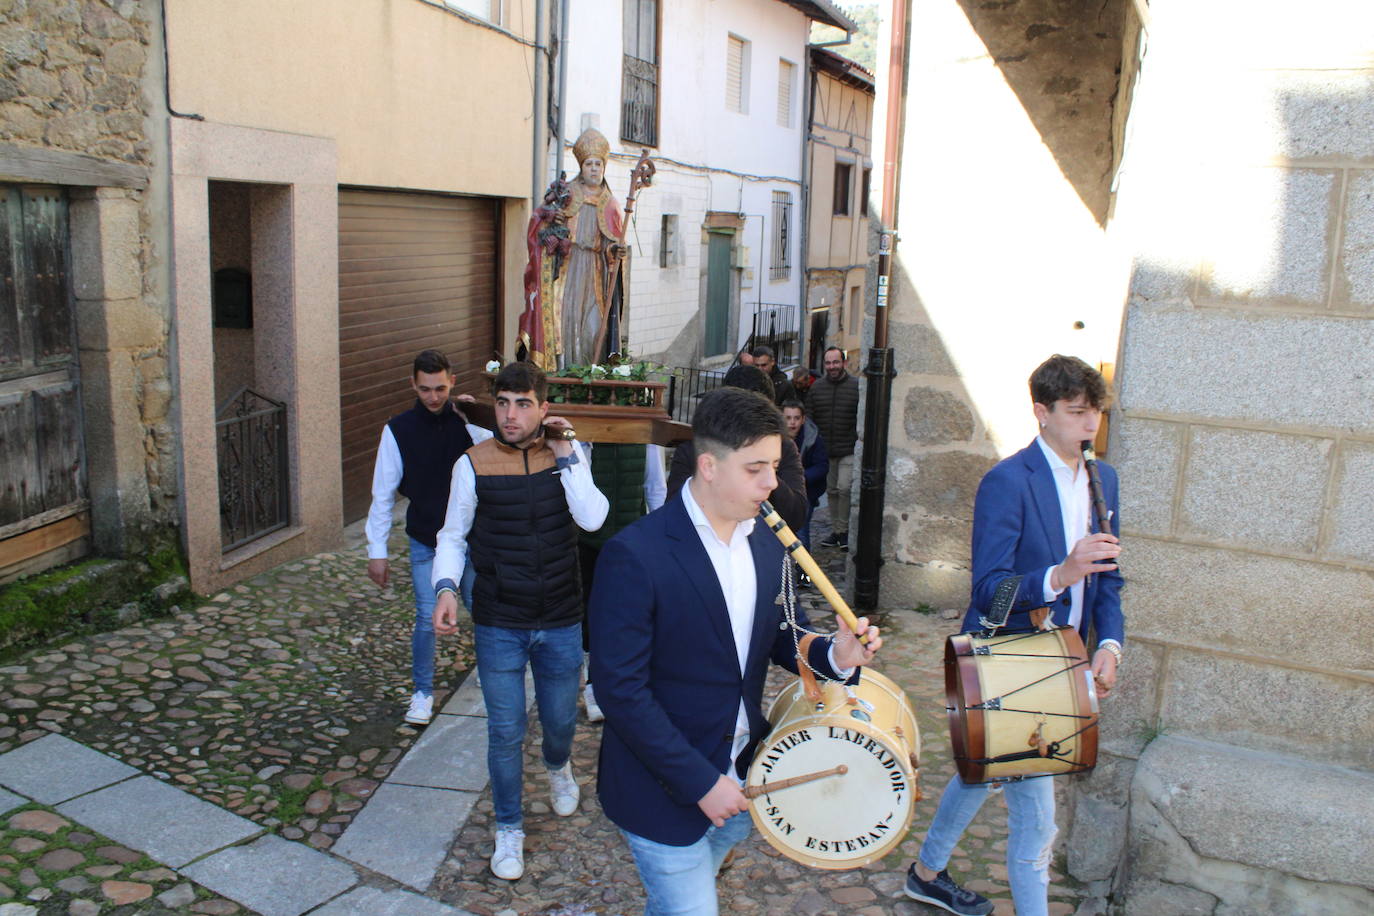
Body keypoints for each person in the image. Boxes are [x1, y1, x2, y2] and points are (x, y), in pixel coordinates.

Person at [589, 387, 883, 915]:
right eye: (756, 469)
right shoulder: (634, 555)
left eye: (774, 465)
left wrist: (837, 655)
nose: (773, 483)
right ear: (708, 466)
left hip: (748, 777)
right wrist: (700, 781)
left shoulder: (769, 543)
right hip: (664, 789)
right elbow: (619, 691)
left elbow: (783, 635)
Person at [903, 355, 1123, 916]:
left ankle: (926, 874)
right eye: (1076, 413)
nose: (1089, 424)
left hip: (1065, 655)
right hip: (1013, 659)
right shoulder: (1007, 481)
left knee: (980, 773)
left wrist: (1108, 644)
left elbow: (1111, 579)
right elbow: (989, 592)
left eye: (1094, 412)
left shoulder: (1106, 479)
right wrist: (1060, 574)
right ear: (1041, 413)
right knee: (1037, 817)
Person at [432, 361, 609, 881]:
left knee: (558, 723)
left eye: (523, 403)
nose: (511, 415)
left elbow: (594, 518)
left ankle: (558, 766)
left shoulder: (571, 455)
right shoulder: (473, 463)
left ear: (543, 408)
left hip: (558, 619)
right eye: (504, 403)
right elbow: (451, 535)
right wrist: (445, 587)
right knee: (505, 730)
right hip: (499, 621)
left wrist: (565, 455)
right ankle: (508, 828)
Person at [365, 349, 491, 727]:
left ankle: (491, 675)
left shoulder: (468, 422)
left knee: (481, 610)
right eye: (425, 389)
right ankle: (422, 691)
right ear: (413, 385)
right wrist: (377, 551)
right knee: (425, 617)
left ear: (452, 381)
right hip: (423, 538)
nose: (433, 397)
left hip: (470, 540)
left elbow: (501, 444)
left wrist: (477, 415)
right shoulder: (398, 429)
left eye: (439, 388)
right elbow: (382, 493)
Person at [577, 442, 667, 721]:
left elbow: (655, 485)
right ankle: (590, 677)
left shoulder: (646, 439)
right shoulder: (586, 435)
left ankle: (608, 682)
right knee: (588, 613)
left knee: (621, 614)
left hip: (629, 536)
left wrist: (658, 535)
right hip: (586, 538)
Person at [666, 365, 809, 534]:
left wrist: (763, 466)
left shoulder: (783, 447)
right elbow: (675, 512)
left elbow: (796, 515)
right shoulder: (695, 449)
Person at [806, 346, 860, 549]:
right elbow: (809, 418)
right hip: (826, 450)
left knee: (844, 488)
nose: (832, 366)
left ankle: (844, 530)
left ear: (844, 363)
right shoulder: (817, 388)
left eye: (835, 362)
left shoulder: (856, 386)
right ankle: (836, 531)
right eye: (828, 363)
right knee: (832, 491)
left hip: (848, 448)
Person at [780, 398, 827, 556]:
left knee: (800, 534)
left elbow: (821, 466)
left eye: (796, 418)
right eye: (788, 418)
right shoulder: (774, 438)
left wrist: (799, 478)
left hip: (805, 492)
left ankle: (804, 578)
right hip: (778, 492)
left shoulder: (813, 438)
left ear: (803, 419)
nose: (792, 423)